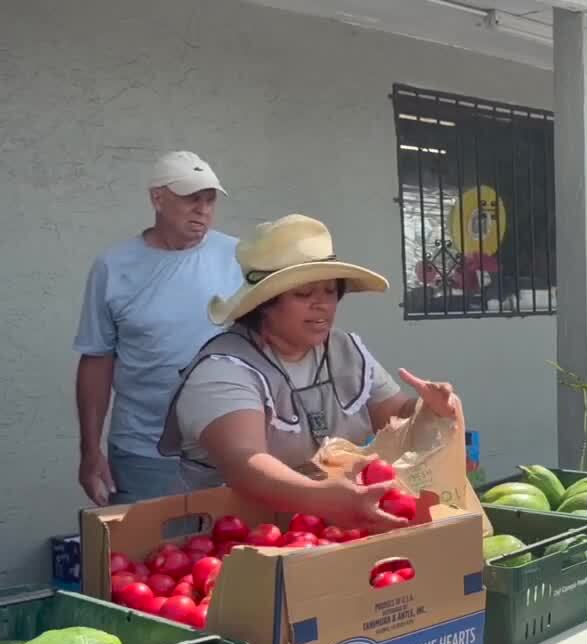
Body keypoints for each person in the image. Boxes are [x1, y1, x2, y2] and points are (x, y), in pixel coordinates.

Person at [156, 213, 458, 530]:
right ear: (264, 304)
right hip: (229, 541)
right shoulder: (223, 369)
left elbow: (395, 417)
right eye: (303, 294)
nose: (322, 305)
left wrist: (430, 410)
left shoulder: (346, 352)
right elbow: (243, 462)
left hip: (319, 533)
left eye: (330, 291)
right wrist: (320, 497)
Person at [74, 151, 243, 505]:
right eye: (191, 198)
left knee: (228, 556)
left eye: (209, 199)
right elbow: (96, 360)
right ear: (157, 198)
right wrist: (90, 452)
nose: (203, 209)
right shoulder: (113, 266)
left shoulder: (240, 257)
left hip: (227, 448)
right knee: (148, 559)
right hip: (143, 455)